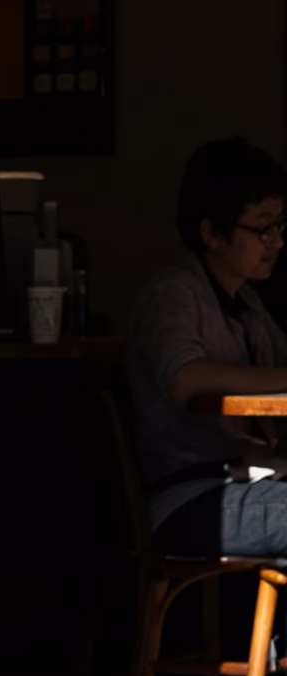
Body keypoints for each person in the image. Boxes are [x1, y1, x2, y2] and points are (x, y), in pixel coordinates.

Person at [128, 137, 287, 556]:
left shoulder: (249, 305)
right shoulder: (173, 293)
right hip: (188, 493)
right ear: (213, 233)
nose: (276, 242)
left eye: (279, 226)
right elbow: (185, 378)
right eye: (264, 228)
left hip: (252, 475)